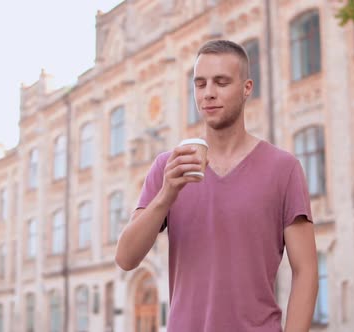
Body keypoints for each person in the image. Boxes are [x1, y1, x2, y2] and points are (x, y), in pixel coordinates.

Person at [115, 39, 318, 331]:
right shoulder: (168, 167)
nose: (208, 93)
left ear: (247, 88)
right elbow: (125, 258)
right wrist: (166, 195)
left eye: (221, 82)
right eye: (200, 84)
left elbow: (306, 270)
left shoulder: (283, 169)